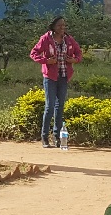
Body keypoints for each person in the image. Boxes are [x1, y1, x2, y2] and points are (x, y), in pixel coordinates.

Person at [32, 16, 81, 150]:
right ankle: (44, 137)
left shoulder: (68, 39)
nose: (62, 28)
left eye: (64, 25)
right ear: (53, 26)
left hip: (64, 76)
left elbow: (78, 53)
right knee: (50, 106)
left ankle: (57, 137)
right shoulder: (46, 39)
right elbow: (34, 53)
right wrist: (46, 61)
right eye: (59, 25)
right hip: (50, 77)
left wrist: (73, 60)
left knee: (60, 107)